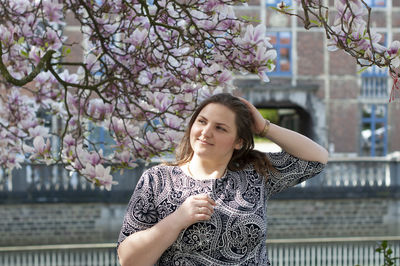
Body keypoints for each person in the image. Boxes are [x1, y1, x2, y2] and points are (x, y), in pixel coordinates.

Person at [117, 93, 328, 265]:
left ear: (238, 141)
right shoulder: (158, 180)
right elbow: (128, 259)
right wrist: (177, 220)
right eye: (202, 121)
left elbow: (317, 158)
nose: (205, 132)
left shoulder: (255, 174)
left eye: (220, 128)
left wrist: (264, 127)